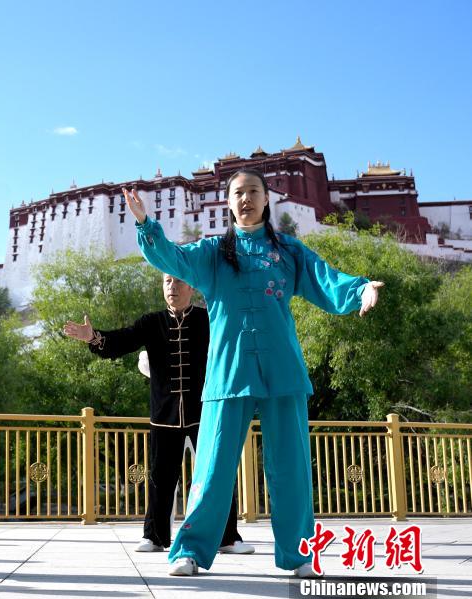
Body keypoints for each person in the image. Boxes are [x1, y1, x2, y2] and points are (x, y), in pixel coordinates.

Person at [123, 168, 384, 577]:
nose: (245, 199)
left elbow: (324, 279)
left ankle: (299, 555)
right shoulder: (212, 253)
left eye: (253, 191)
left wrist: (360, 289)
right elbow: (172, 258)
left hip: (283, 370)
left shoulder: (288, 251)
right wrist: (145, 224)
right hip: (228, 372)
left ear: (266, 199)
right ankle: (189, 550)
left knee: (291, 467)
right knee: (212, 465)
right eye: (238, 193)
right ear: (228, 203)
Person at [63, 274, 253, 556]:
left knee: (217, 475)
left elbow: (234, 348)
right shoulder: (151, 322)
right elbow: (123, 340)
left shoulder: (209, 319)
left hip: (205, 412)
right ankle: (154, 536)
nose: (172, 287)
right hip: (164, 415)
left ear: (191, 287)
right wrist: (92, 336)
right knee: (160, 479)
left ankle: (227, 538)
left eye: (178, 282)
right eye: (167, 282)